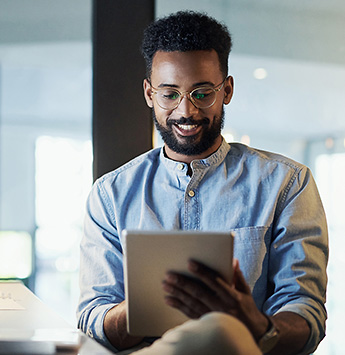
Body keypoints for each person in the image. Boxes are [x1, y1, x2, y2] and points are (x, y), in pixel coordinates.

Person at [77, 11, 328, 355]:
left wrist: (254, 323)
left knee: (221, 332)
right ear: (150, 94)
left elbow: (307, 314)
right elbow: (92, 319)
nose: (186, 111)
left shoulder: (287, 183)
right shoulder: (110, 195)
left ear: (227, 90)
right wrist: (144, 307)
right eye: (170, 94)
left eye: (201, 93)